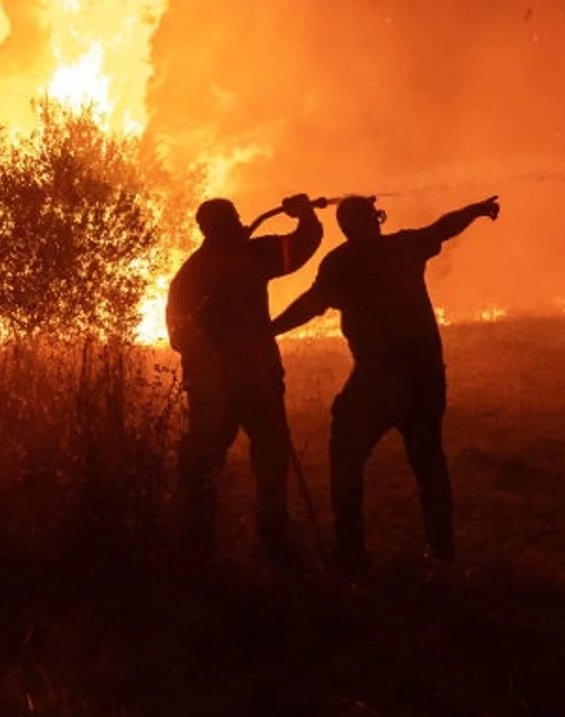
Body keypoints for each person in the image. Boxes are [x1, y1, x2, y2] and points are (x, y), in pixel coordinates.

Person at [269, 194, 499, 569]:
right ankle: (442, 552)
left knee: (346, 456)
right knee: (428, 461)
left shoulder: (341, 263)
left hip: (376, 379)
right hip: (424, 374)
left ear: (344, 227)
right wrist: (475, 209)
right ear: (376, 219)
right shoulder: (404, 247)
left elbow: (312, 304)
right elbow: (444, 226)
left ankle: (352, 552)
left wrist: (270, 329)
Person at [166, 193, 323, 563]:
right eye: (232, 218)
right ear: (215, 227)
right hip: (242, 381)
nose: (240, 223)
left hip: (233, 383)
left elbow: (299, 247)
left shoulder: (201, 271)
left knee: (228, 455)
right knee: (252, 453)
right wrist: (304, 216)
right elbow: (179, 333)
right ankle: (242, 532)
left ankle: (206, 532)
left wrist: (306, 217)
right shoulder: (248, 258)